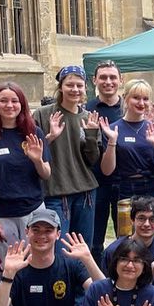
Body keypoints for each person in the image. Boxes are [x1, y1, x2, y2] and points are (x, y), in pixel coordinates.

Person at [0, 81, 51, 255]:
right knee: (7, 268)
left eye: (14, 101)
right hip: (1, 215)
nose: (9, 105)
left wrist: (37, 160)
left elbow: (46, 174)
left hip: (33, 211)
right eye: (3, 101)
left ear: (22, 104)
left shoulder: (34, 133)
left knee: (37, 262)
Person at [34, 66, 100, 239]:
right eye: (70, 85)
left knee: (83, 248)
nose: (75, 89)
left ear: (85, 88)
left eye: (79, 85)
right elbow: (31, 152)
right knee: (57, 248)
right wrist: (50, 137)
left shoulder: (89, 118)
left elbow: (92, 160)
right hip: (55, 193)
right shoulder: (42, 115)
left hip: (85, 194)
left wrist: (91, 136)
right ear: (61, 87)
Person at [99, 79, 154, 232]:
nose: (141, 103)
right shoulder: (113, 129)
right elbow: (107, 170)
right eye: (136, 98)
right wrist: (112, 141)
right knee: (127, 239)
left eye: (145, 99)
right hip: (125, 187)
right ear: (125, 98)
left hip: (153, 186)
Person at [87, 60, 124, 263]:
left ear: (121, 80)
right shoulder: (86, 110)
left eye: (112, 77)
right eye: (103, 77)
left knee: (126, 239)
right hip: (95, 184)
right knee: (94, 241)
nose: (108, 81)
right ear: (94, 81)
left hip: (125, 185)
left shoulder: (129, 108)